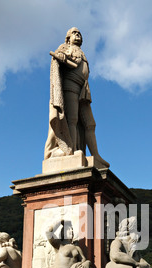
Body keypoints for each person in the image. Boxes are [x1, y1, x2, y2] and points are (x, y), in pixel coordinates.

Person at [44, 27, 109, 168]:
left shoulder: (81, 52)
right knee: (72, 119)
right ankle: (70, 151)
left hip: (83, 89)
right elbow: (59, 60)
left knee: (90, 123)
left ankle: (96, 155)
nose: (78, 35)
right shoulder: (64, 47)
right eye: (74, 33)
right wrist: (61, 58)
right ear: (68, 38)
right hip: (70, 86)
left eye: (79, 33)